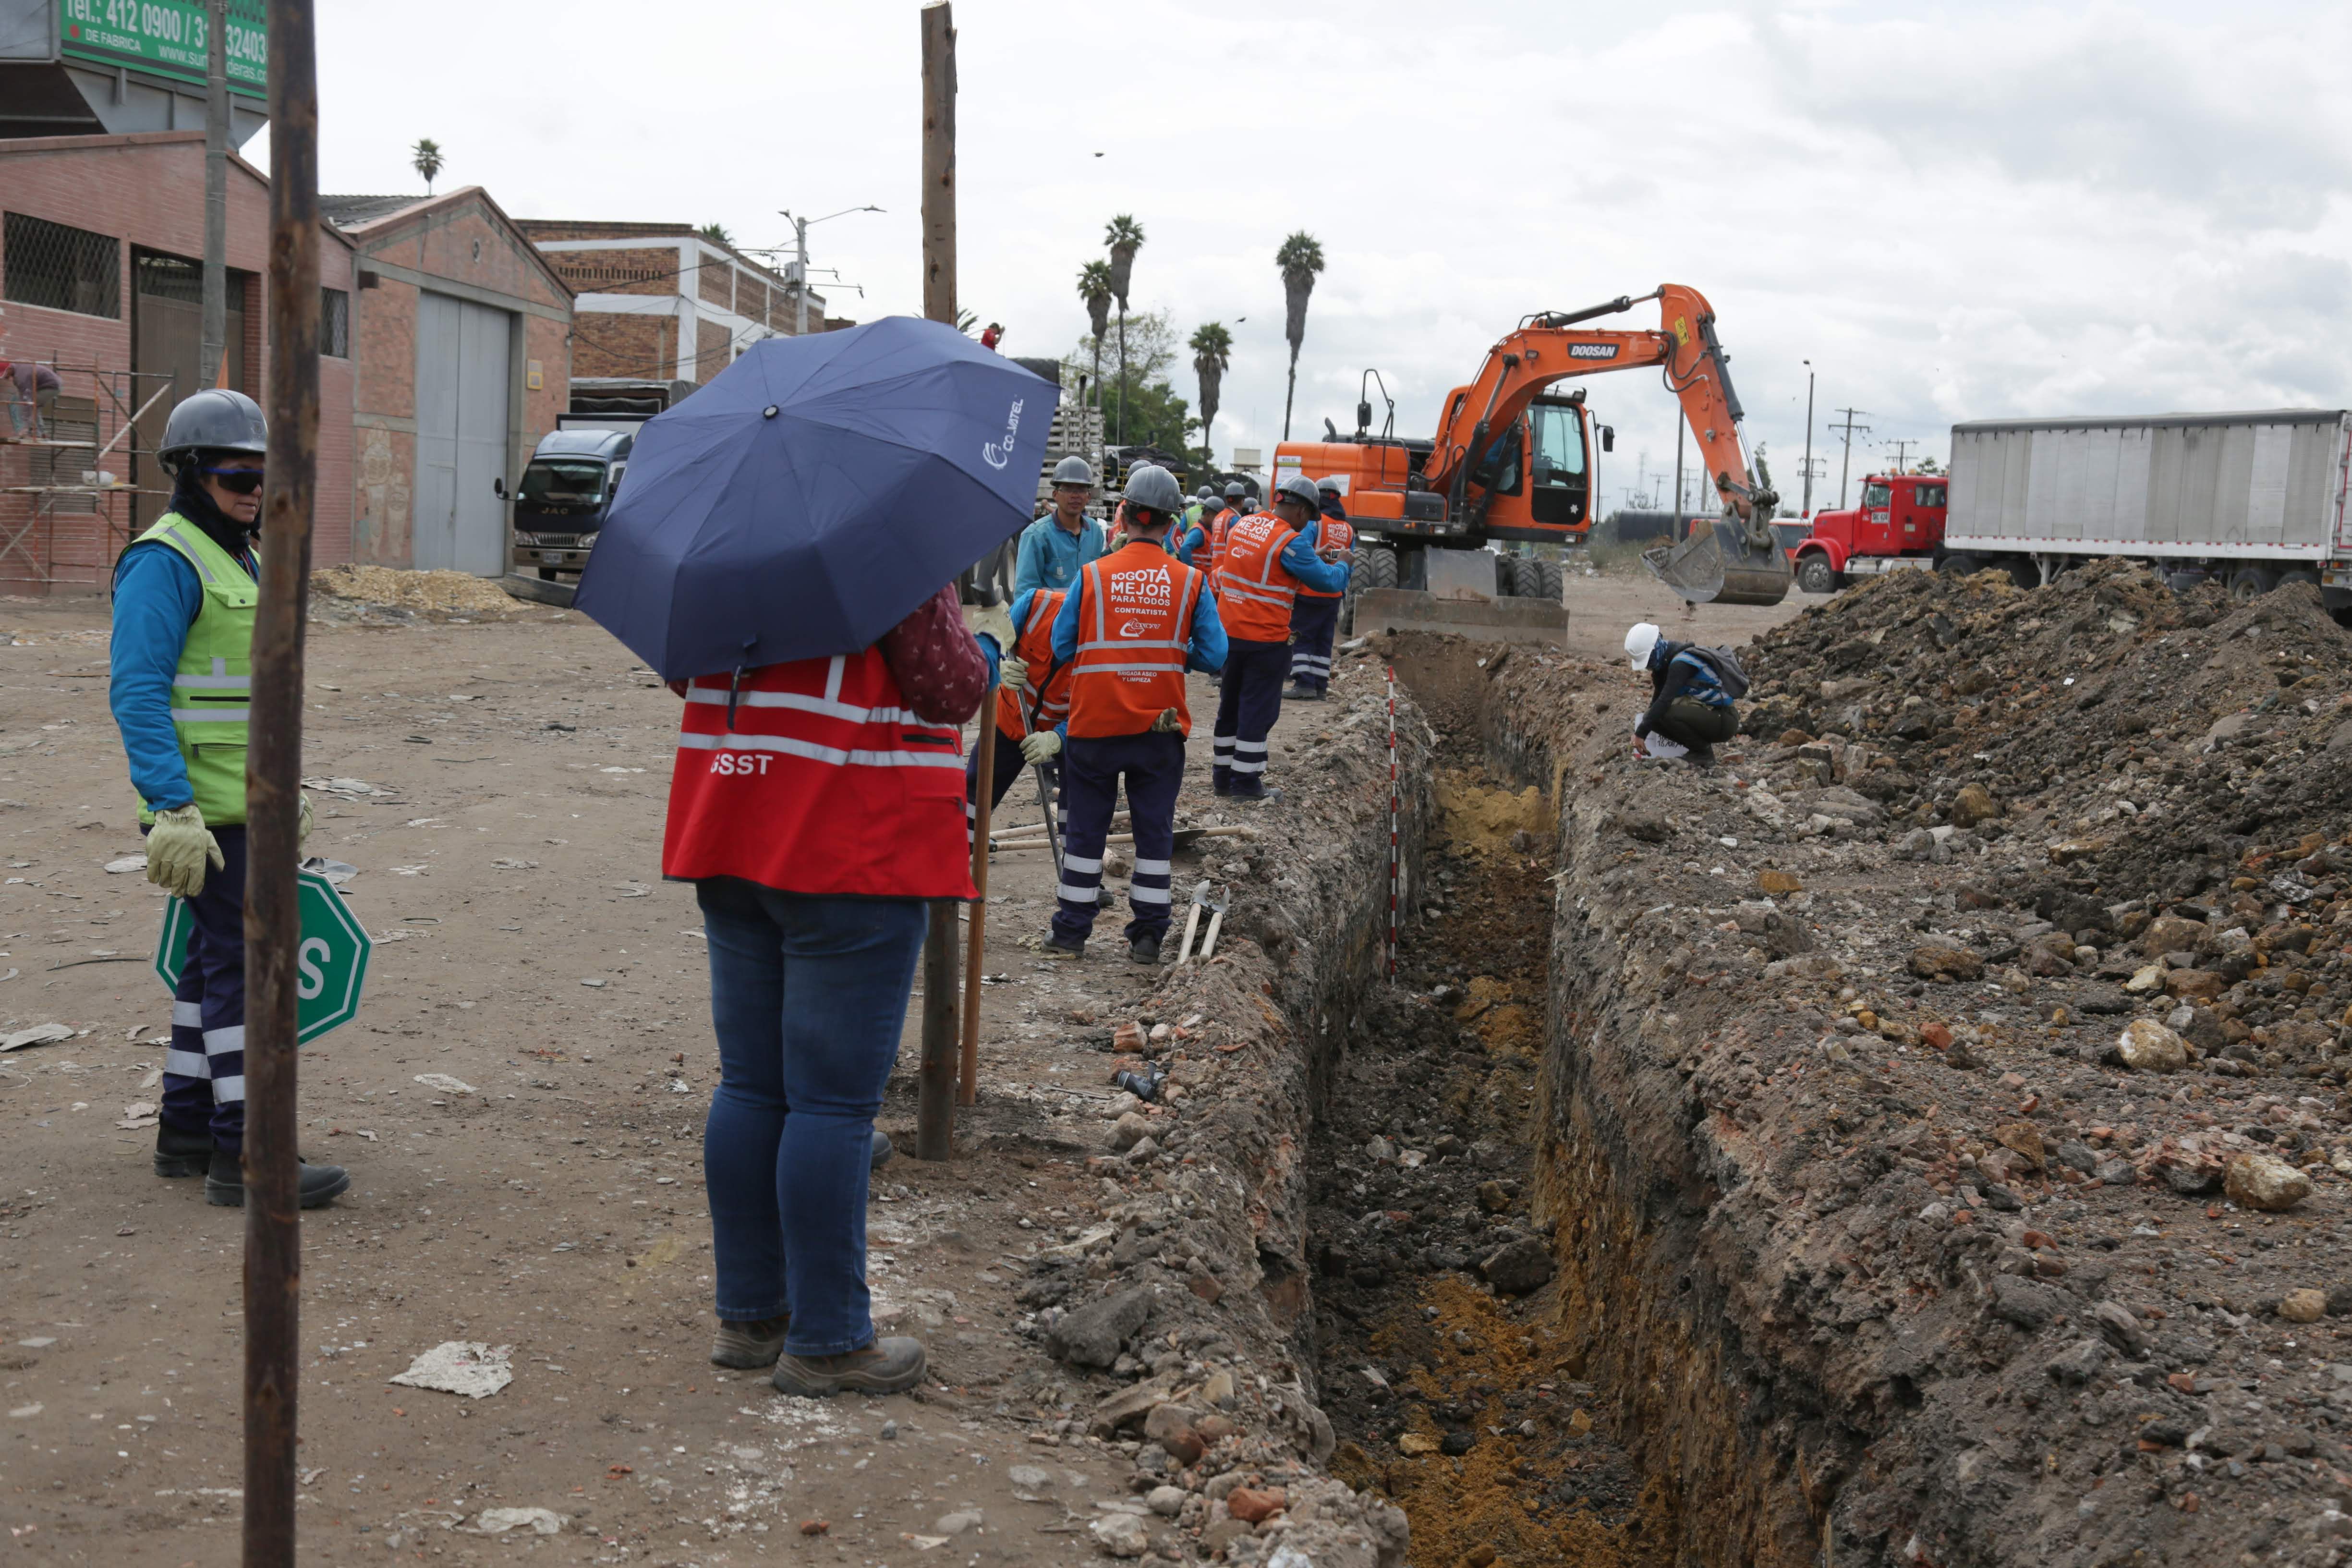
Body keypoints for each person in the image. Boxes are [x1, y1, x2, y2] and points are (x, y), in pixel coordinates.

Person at [666, 578, 1002, 1395]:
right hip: (847, 832)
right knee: (830, 1106)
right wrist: (987, 657)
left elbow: (684, 670)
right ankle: (828, 1339)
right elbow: (945, 686)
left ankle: (751, 1318)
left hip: (732, 812)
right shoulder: (886, 546)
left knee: (750, 1086)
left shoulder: (724, 539)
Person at [109, 389, 349, 1209]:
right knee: (246, 975)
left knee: (210, 968)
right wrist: (169, 806)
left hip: (250, 806)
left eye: (264, 476)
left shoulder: (240, 556)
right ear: (187, 473)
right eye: (236, 475)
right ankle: (248, 1154)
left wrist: (290, 789)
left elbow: (253, 691)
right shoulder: (163, 560)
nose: (254, 490)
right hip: (204, 815)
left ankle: (184, 1130)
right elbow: (137, 692)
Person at [1039, 464, 1225, 963]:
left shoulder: (1091, 575)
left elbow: (1061, 645)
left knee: (1084, 834)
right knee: (1152, 835)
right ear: (1172, 525)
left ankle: (1070, 934)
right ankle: (1147, 937)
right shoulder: (1190, 581)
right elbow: (1215, 655)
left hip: (1093, 727)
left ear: (1122, 515)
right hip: (1156, 730)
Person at [1211, 475, 1349, 798]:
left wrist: (1314, 554)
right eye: (1308, 518)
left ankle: (1222, 778)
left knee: (1229, 705)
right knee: (1257, 710)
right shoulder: (1291, 541)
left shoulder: (1243, 526)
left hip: (1230, 634)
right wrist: (1343, 565)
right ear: (1301, 511)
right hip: (1265, 640)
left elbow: (1269, 569)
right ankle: (1246, 782)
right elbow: (1327, 582)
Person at [964, 583, 1073, 846]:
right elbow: (996, 638)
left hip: (1069, 731)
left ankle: (1078, 877)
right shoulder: (1037, 604)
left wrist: (1060, 739)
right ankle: (955, 856)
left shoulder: (1103, 641)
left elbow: (1100, 708)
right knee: (975, 794)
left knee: (1080, 805)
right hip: (1011, 718)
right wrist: (1001, 663)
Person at [1625, 621, 1741, 767]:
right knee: (1654, 718)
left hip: (1725, 719)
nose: (1649, 667)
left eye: (1649, 661)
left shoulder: (1681, 664)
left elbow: (1664, 702)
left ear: (1655, 649)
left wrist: (1641, 733)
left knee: (1664, 714)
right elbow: (1655, 704)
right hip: (1712, 716)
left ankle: (1703, 753)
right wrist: (1642, 730)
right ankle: (1697, 750)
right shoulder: (1664, 666)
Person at [1285, 478, 1355, 701]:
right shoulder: (1348, 529)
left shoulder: (1314, 523)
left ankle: (1304, 683)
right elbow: (1349, 562)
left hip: (1310, 591)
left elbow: (1301, 553)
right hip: (1333, 595)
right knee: (1325, 641)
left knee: (1302, 637)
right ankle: (1320, 687)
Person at [1012, 455, 1109, 599]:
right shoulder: (1036, 536)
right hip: (1051, 620)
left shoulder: (1095, 532)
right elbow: (1024, 595)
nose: (1075, 496)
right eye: (1068, 489)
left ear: (1089, 496)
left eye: (1081, 489)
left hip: (1085, 620)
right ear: (1055, 495)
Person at [1178, 480, 1249, 578]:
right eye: (1215, 515)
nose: (1217, 517)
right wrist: (1193, 572)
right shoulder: (1199, 532)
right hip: (1213, 573)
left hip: (1212, 572)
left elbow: (1212, 548)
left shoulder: (1213, 524)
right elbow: (1184, 548)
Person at [1, 354, 63, 439]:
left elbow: (27, 401)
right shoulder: (18, 365)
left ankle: (33, 432)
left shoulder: (21, 377)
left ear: (9, 369)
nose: (5, 377)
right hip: (46, 385)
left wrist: (25, 426)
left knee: (30, 403)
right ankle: (41, 433)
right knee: (23, 402)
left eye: (5, 374)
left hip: (52, 386)